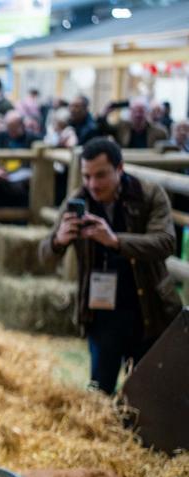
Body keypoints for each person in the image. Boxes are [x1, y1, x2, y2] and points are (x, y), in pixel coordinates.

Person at [38, 137, 181, 395]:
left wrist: (115, 241)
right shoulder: (78, 199)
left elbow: (166, 242)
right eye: (87, 176)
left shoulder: (149, 194)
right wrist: (59, 240)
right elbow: (44, 256)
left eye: (101, 175)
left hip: (147, 309)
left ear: (120, 168)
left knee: (146, 393)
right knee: (100, 392)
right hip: (101, 313)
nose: (93, 184)